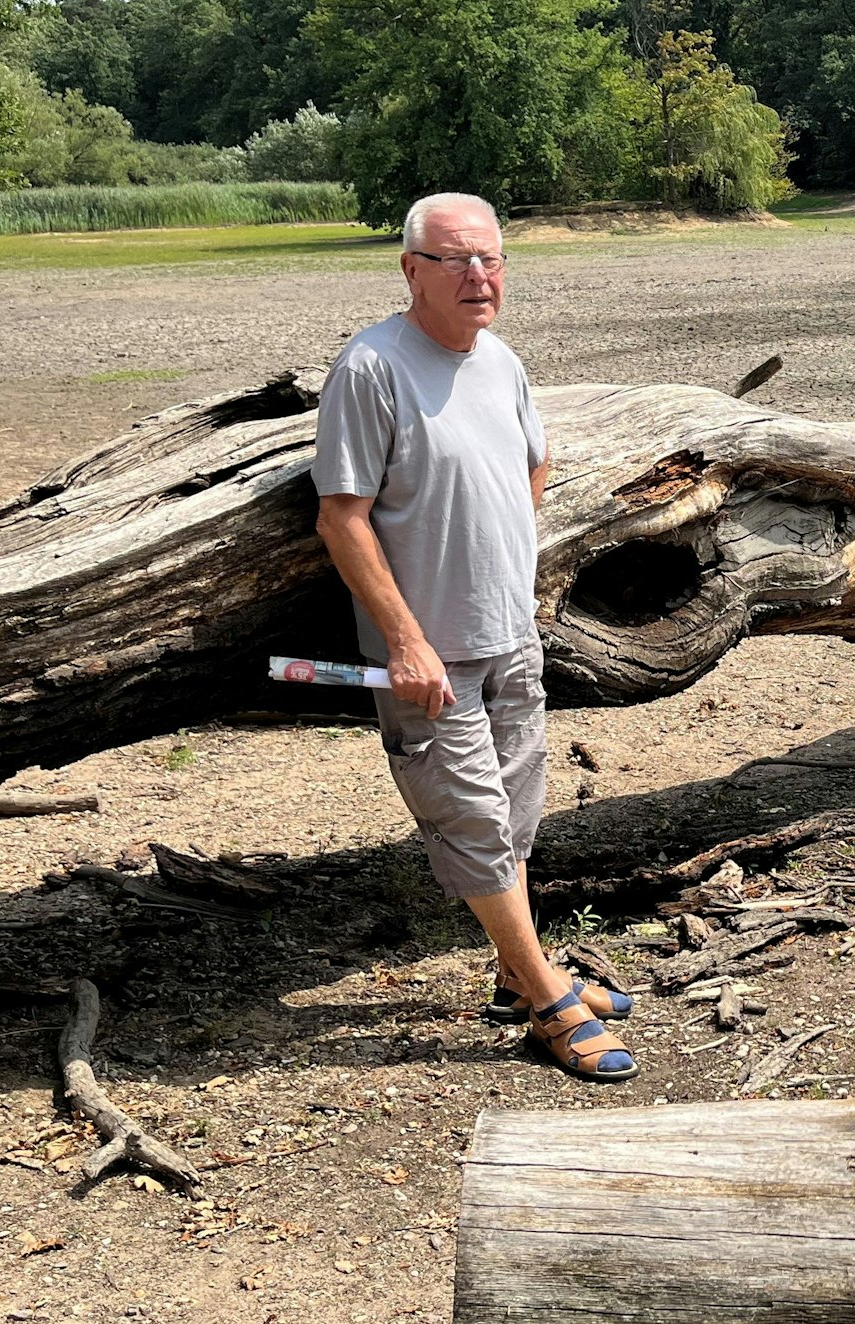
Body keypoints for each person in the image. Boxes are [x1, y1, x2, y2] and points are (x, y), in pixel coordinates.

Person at [311, 192, 636, 1082]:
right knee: (474, 823)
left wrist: (508, 574)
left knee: (517, 817)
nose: (478, 276)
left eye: (490, 259)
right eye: (454, 260)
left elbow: (534, 463)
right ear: (410, 269)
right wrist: (405, 642)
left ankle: (512, 974)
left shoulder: (502, 363)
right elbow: (342, 518)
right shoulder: (372, 367)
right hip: (427, 657)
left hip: (509, 638)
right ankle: (548, 1003)